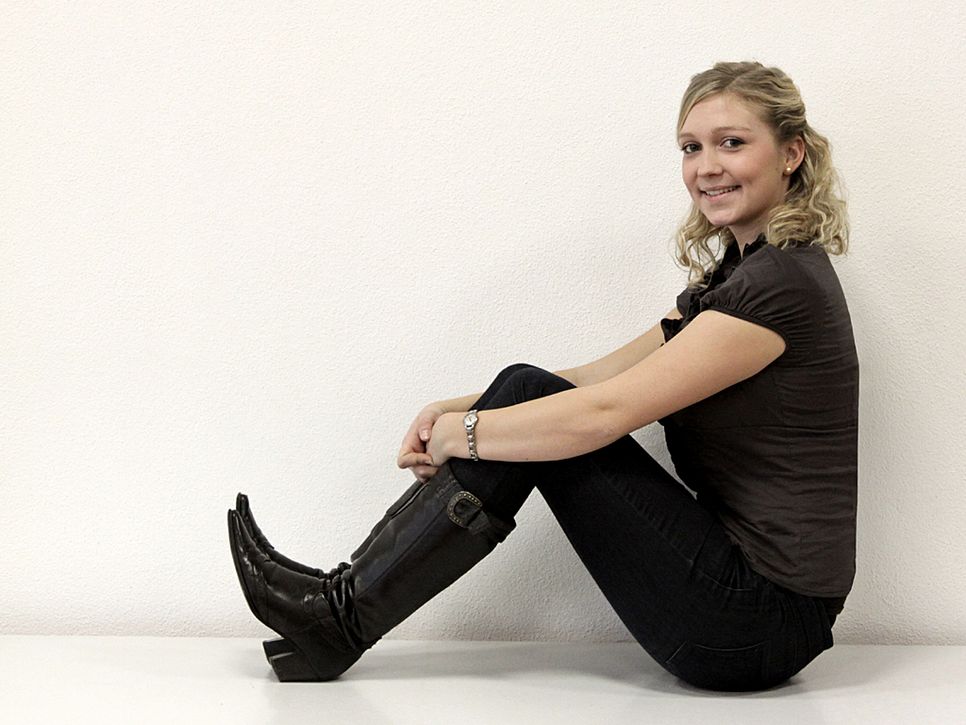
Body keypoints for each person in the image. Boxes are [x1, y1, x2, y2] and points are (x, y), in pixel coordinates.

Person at [227, 60, 857, 692]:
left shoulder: (779, 285)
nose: (706, 167)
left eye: (732, 143)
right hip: (742, 605)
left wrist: (463, 436)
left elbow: (605, 413)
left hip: (759, 623)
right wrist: (454, 409)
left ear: (791, 153)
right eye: (691, 148)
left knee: (531, 400)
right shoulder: (733, 279)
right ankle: (338, 607)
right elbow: (595, 378)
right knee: (523, 384)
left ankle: (338, 615)